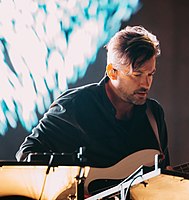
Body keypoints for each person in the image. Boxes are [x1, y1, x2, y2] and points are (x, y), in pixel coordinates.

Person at [15, 25, 170, 188]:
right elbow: (27, 155)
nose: (146, 83)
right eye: (137, 75)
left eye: (150, 74)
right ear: (112, 72)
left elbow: (164, 176)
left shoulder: (154, 115)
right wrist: (73, 185)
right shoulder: (76, 105)